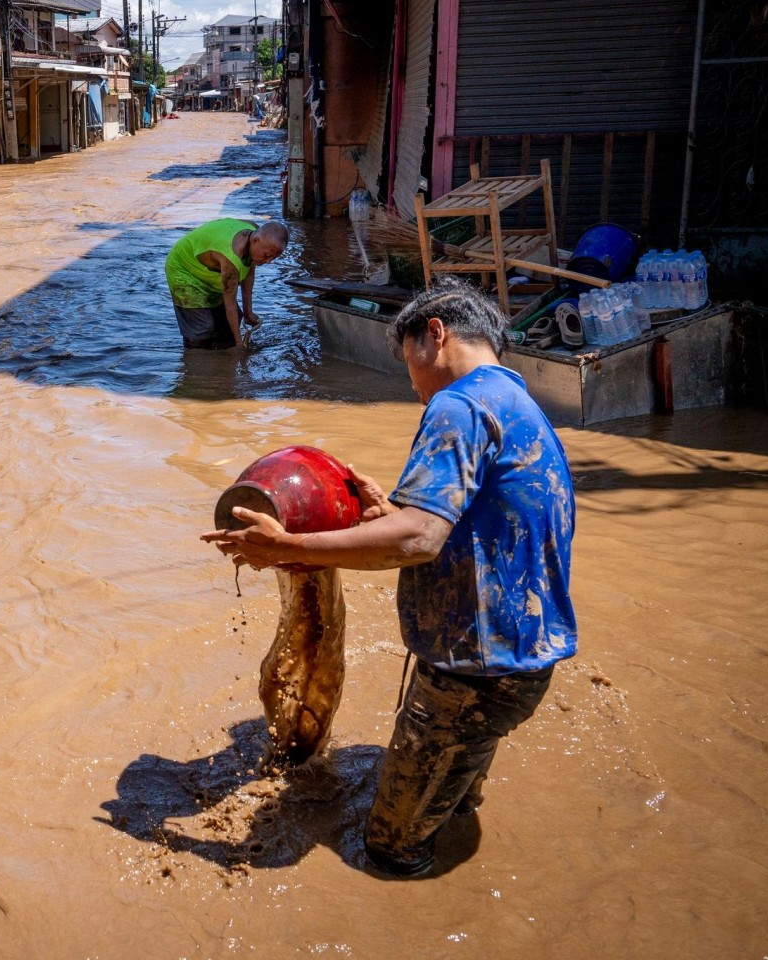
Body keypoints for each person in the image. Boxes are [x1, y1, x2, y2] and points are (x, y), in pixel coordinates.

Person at [203, 279, 577, 877]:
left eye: (408, 362)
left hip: (471, 675)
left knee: (389, 849)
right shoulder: (517, 403)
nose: (411, 381)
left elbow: (417, 539)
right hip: (522, 658)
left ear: (436, 333)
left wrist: (288, 545)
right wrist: (392, 512)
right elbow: (467, 523)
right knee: (452, 798)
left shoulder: (457, 405)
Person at [165, 219, 288, 349]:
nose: (268, 261)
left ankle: (221, 355)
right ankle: (194, 358)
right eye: (267, 255)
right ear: (255, 241)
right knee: (202, 328)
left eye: (273, 258)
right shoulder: (231, 258)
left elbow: (248, 271)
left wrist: (248, 312)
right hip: (183, 269)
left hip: (210, 270)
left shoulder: (254, 232)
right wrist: (239, 343)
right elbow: (230, 304)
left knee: (229, 324)